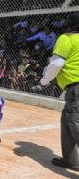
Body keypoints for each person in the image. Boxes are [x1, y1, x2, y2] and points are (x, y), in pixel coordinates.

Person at [38, 13, 79, 171]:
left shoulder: (67, 38)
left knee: (74, 122)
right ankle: (71, 160)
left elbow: (56, 64)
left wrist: (44, 80)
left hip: (76, 87)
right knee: (67, 121)